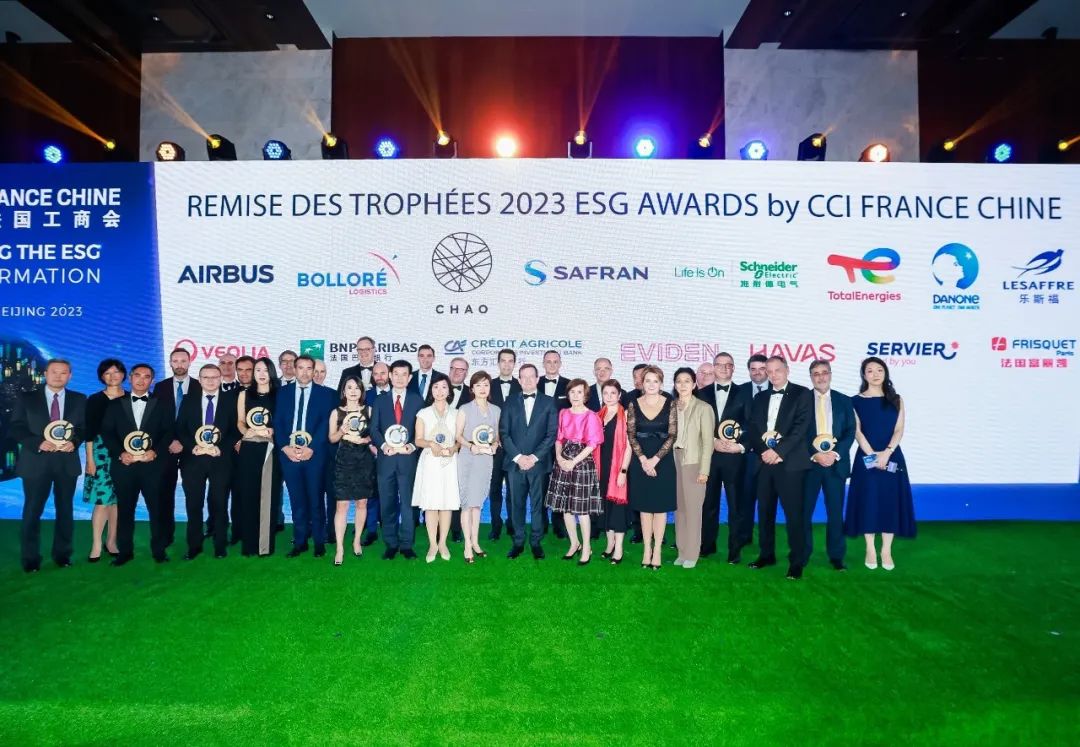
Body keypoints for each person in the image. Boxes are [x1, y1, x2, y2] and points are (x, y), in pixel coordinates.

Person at [10, 359, 86, 572]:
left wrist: (74, 442)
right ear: (45, 373)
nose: (58, 376)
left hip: (66, 463)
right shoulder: (27, 398)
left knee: (65, 510)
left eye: (64, 373)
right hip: (35, 462)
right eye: (54, 372)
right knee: (32, 511)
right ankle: (30, 558)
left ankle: (62, 555)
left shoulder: (79, 399)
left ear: (70, 376)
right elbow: (16, 427)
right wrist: (37, 443)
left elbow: (83, 427)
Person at [845, 356, 915, 571]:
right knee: (868, 500)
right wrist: (873, 456)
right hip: (866, 458)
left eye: (879, 370)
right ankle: (869, 548)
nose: (875, 374)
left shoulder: (897, 400)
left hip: (892, 455)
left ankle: (886, 550)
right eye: (870, 371)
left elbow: (899, 429)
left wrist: (887, 453)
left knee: (889, 501)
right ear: (863, 375)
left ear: (885, 373)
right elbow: (857, 431)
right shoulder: (854, 401)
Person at [101, 363, 174, 565]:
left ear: (152, 380)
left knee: (157, 510)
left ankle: (159, 550)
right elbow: (107, 432)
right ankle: (125, 552)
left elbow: (168, 432)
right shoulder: (115, 404)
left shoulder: (163, 404)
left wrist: (155, 451)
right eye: (138, 375)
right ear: (130, 378)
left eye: (147, 376)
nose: (142, 380)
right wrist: (120, 453)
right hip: (124, 466)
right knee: (125, 510)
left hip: (153, 466)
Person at [747, 356, 813, 580]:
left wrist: (778, 452)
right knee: (765, 512)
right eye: (769, 371)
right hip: (764, 463)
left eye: (778, 370)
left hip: (791, 464)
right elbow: (753, 428)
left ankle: (796, 562)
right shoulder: (760, 397)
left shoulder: (802, 394)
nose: (773, 375)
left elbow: (800, 427)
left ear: (787, 370)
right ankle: (766, 555)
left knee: (794, 515)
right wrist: (764, 452)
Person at [274, 355, 336, 558]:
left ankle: (319, 542)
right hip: (289, 455)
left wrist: (312, 448)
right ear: (294, 369)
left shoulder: (326, 394)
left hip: (314, 456)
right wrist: (285, 447)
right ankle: (300, 542)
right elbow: (277, 422)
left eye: (309, 368)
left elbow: (326, 424)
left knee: (316, 500)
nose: (305, 372)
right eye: (301, 368)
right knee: (297, 500)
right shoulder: (282, 393)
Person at [695, 352, 752, 563]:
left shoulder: (745, 393)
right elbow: (695, 425)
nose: (724, 368)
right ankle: (707, 545)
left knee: (736, 506)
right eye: (719, 364)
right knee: (708, 503)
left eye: (728, 365)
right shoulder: (701, 393)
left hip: (734, 458)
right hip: (709, 457)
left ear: (733, 368)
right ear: (714, 367)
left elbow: (751, 424)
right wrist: (712, 441)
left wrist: (740, 446)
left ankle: (734, 551)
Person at [177, 363, 237, 560]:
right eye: (206, 377)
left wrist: (221, 448)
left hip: (220, 460)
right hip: (193, 460)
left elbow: (235, 430)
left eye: (214, 377)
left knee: (220, 503)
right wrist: (192, 446)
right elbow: (180, 428)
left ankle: (220, 545)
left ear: (220, 379)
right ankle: (194, 546)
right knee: (193, 505)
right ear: (200, 379)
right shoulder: (188, 400)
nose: (210, 381)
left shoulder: (231, 400)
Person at [500, 363, 557, 559]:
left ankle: (536, 542)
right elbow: (504, 433)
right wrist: (518, 457)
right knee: (516, 504)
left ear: (538, 378)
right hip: (514, 464)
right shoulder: (509, 401)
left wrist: (533, 457)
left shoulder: (549, 402)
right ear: (519, 380)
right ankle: (518, 542)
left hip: (538, 464)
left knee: (538, 506)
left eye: (531, 376)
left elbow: (551, 434)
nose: (527, 380)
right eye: (523, 377)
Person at [802, 359, 855, 571]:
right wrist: (815, 454)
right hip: (809, 466)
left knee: (835, 513)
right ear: (811, 377)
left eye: (824, 372)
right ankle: (802, 554)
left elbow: (850, 431)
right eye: (816, 373)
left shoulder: (844, 400)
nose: (820, 377)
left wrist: (834, 454)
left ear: (830, 374)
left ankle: (836, 556)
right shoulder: (801, 400)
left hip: (835, 465)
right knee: (804, 512)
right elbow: (797, 432)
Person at [545, 379, 604, 564]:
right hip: (563, 461)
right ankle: (574, 543)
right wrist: (559, 458)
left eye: (580, 392)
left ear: (585, 395)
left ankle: (586, 547)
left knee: (582, 509)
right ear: (568, 394)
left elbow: (593, 444)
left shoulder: (591, 416)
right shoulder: (563, 413)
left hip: (582, 463)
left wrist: (573, 462)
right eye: (572, 392)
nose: (576, 396)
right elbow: (558, 439)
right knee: (565, 507)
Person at [370, 359, 423, 559]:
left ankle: (407, 544)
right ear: (390, 376)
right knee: (387, 503)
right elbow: (374, 429)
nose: (400, 378)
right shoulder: (380, 400)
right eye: (396, 374)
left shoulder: (417, 400)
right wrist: (384, 446)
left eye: (404, 374)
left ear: (410, 378)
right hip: (386, 460)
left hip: (408, 460)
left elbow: (422, 430)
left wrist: (413, 445)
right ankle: (391, 543)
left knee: (408, 504)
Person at [627, 366, 677, 569]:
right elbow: (631, 434)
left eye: (655, 381)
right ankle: (646, 549)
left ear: (661, 383)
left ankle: (657, 551)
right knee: (645, 508)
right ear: (642, 383)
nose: (651, 384)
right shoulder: (634, 404)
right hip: (640, 462)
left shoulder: (670, 403)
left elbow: (672, 435)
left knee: (660, 508)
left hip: (663, 461)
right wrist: (643, 459)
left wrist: (655, 460)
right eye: (647, 380)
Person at [152, 347, 201, 549]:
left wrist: (184, 442)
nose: (179, 365)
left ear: (189, 362)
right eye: (175, 361)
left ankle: (195, 537)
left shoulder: (200, 386)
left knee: (193, 496)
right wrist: (170, 441)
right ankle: (166, 535)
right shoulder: (160, 387)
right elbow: (156, 419)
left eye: (183, 361)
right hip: (166, 448)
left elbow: (202, 420)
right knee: (165, 493)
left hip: (193, 448)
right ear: (170, 363)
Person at [235, 357, 281, 556]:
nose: (261, 374)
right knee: (248, 495)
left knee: (269, 496)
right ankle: (249, 545)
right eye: (258, 370)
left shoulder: (280, 395)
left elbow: (283, 421)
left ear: (271, 372)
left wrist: (273, 431)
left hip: (270, 450)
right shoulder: (244, 394)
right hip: (249, 449)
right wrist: (249, 432)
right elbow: (240, 422)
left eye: (265, 370)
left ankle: (265, 546)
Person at [412, 375, 460, 562]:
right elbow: (418, 440)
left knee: (447, 504)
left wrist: (454, 448)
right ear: (431, 390)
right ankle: (432, 544)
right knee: (431, 504)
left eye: (444, 387)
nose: (440, 391)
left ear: (449, 390)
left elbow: (459, 440)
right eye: (436, 387)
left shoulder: (457, 413)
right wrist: (431, 444)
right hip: (430, 461)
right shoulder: (423, 413)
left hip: (449, 462)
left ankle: (442, 543)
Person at [328, 375, 375, 565]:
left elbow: (375, 434)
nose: (353, 391)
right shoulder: (336, 412)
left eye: (357, 388)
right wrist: (342, 431)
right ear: (344, 391)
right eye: (349, 387)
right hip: (344, 460)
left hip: (364, 460)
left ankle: (356, 541)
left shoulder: (369, 410)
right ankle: (339, 548)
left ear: (362, 391)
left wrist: (365, 439)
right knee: (342, 505)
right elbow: (331, 438)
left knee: (362, 503)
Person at [83, 358, 126, 561]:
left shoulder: (131, 397)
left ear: (123, 374)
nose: (112, 376)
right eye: (107, 373)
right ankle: (96, 544)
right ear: (101, 377)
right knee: (102, 500)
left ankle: (111, 541)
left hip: (126, 452)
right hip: (101, 453)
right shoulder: (95, 399)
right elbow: (89, 432)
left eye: (116, 372)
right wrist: (89, 459)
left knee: (117, 501)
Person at [671, 367, 715, 570]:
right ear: (674, 385)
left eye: (687, 381)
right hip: (674, 462)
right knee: (679, 510)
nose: (683, 385)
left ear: (694, 384)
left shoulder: (704, 408)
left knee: (693, 510)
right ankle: (681, 551)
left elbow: (708, 442)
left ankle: (692, 553)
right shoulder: (671, 407)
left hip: (694, 462)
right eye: (679, 381)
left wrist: (704, 470)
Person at [455, 371, 500, 564]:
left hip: (485, 460)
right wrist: (470, 446)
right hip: (468, 458)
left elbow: (497, 436)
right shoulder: (464, 409)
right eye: (478, 385)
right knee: (467, 504)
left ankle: (475, 542)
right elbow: (457, 435)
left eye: (486, 385)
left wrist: (495, 445)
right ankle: (467, 545)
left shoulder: (496, 410)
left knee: (478, 504)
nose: (482, 389)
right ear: (472, 388)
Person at [736, 353, 770, 552]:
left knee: (768, 502)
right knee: (745, 498)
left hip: (772, 455)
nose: (757, 373)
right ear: (749, 370)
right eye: (753, 369)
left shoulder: (778, 390)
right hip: (746, 455)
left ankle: (767, 541)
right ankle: (744, 536)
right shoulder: (739, 391)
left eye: (762, 368)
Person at [597, 380, 632, 564]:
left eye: (613, 393)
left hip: (618, 468)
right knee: (605, 507)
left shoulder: (625, 415)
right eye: (606, 393)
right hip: (601, 469)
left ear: (619, 395)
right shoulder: (599, 415)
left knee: (618, 509)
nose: (609, 397)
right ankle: (609, 545)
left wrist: (623, 471)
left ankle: (618, 549)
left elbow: (629, 446)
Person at [488, 348, 521, 539]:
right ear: (498, 362)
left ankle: (512, 523)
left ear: (514, 363)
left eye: (510, 361)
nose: (506, 364)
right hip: (492, 448)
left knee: (513, 490)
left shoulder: (522, 386)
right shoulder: (488, 385)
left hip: (514, 449)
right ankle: (495, 525)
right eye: (503, 360)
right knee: (494, 489)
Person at [358, 361, 390, 547]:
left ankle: (388, 527)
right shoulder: (366, 396)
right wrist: (371, 443)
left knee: (389, 492)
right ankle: (371, 530)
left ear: (389, 374)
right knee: (371, 493)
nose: (379, 377)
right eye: (375, 374)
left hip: (393, 452)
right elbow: (361, 423)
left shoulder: (398, 395)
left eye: (383, 373)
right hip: (370, 451)